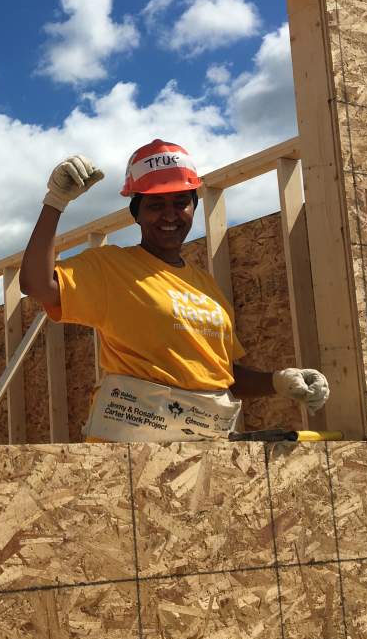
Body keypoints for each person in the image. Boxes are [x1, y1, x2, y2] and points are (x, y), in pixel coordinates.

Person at [20, 139, 330, 443]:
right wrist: (56, 202)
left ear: (193, 207)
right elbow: (36, 284)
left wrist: (278, 381)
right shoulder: (111, 267)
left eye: (180, 202)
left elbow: (223, 375)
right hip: (130, 455)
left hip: (200, 448)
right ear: (137, 214)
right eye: (156, 205)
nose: (170, 214)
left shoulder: (207, 289)